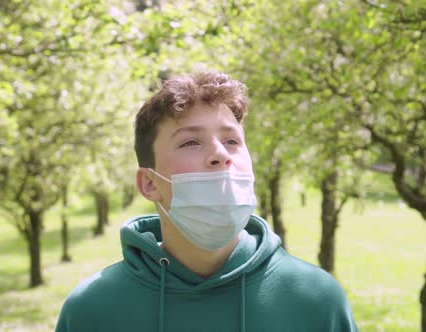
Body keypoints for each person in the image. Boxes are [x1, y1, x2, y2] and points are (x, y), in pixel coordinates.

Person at [55, 71, 358, 332]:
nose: (221, 154)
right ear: (149, 183)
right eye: (190, 142)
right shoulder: (92, 310)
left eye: (232, 141)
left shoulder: (316, 300)